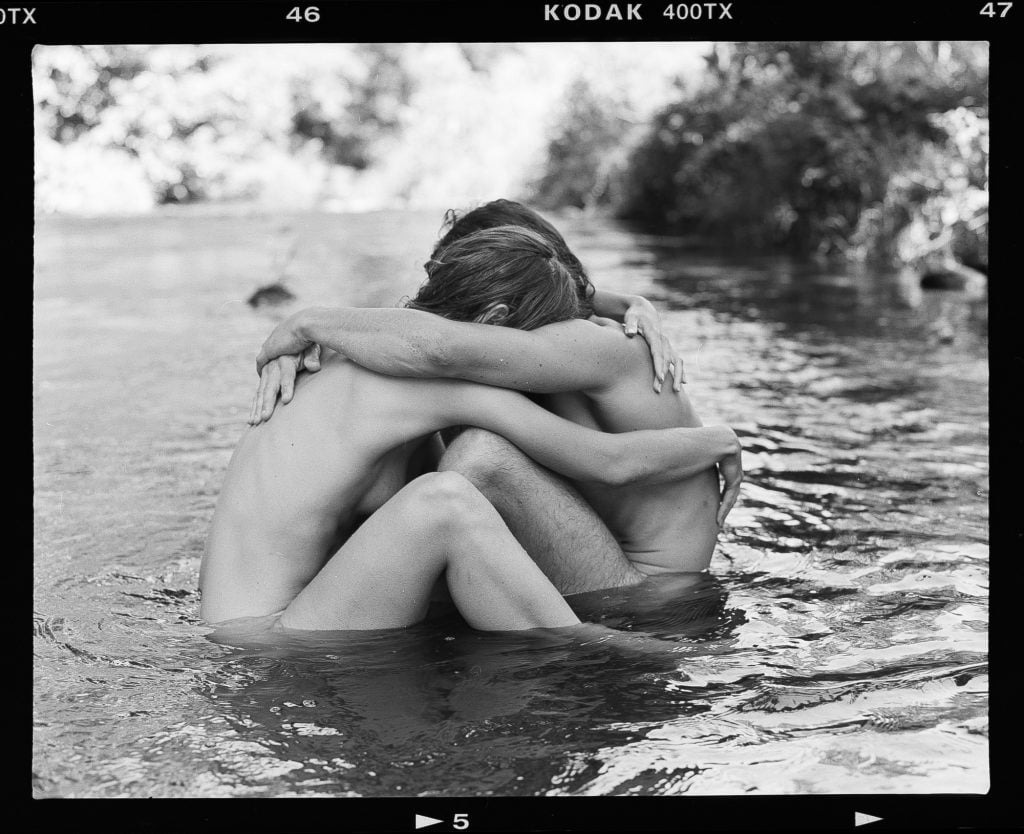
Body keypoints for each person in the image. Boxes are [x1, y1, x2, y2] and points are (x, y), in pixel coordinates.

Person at [200, 225, 742, 633]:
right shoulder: (435, 381)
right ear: (494, 323)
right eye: (528, 336)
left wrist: (627, 302)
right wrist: (717, 439)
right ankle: (600, 647)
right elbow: (604, 459)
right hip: (269, 637)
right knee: (446, 502)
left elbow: (433, 336)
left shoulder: (352, 350)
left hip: (241, 621)